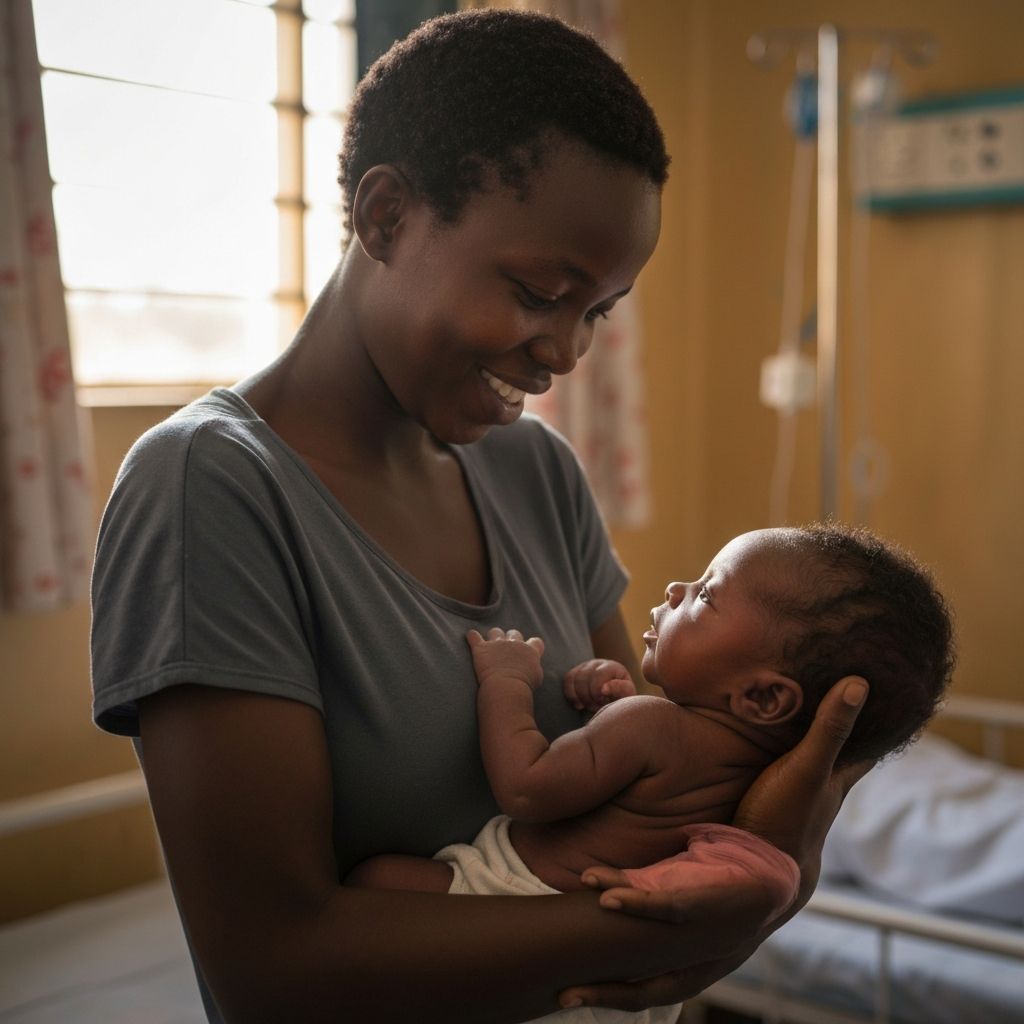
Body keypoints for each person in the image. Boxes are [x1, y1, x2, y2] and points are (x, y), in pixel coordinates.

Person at [90, 10, 872, 1023]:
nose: (565, 354)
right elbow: (273, 967)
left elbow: (642, 794)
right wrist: (722, 912)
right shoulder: (211, 488)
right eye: (540, 291)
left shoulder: (533, 470)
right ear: (384, 218)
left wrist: (779, 854)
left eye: (596, 311)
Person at [346, 523, 954, 1023]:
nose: (675, 588)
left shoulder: (650, 724)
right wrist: (600, 700)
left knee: (376, 881)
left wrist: (506, 684)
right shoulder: (763, 770)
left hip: (512, 904)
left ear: (765, 698)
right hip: (628, 993)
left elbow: (527, 788)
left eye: (707, 595)